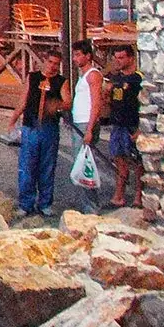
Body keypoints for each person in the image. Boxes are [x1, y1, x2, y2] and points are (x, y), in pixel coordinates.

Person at [12, 50, 67, 217]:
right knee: (27, 166)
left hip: (49, 128)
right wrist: (13, 118)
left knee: (47, 166)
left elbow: (68, 101)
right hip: (31, 126)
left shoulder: (61, 81)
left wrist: (57, 104)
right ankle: (26, 203)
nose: (52, 66)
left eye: (56, 64)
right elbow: (24, 99)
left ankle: (45, 203)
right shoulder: (33, 77)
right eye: (50, 62)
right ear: (44, 61)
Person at [68, 39, 107, 213]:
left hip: (86, 123)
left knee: (84, 163)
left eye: (78, 55)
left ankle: (91, 205)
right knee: (80, 162)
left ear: (87, 55)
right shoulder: (83, 76)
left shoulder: (93, 75)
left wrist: (90, 129)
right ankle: (86, 203)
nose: (75, 58)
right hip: (79, 121)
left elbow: (96, 103)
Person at [107, 47, 143, 209]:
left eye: (121, 58)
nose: (118, 61)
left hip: (132, 124)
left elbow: (144, 104)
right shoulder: (116, 79)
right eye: (116, 57)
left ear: (130, 58)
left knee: (137, 162)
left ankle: (139, 196)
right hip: (117, 124)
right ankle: (119, 195)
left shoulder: (138, 79)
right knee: (119, 159)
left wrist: (140, 129)